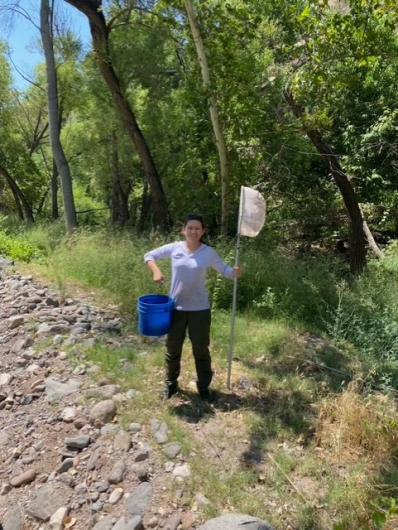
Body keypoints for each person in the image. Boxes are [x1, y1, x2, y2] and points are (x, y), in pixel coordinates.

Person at [144, 213, 242, 401]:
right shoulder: (174, 248)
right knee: (173, 349)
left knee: (201, 350)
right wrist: (156, 271)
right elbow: (149, 256)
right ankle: (171, 384)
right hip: (175, 309)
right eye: (190, 228)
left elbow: (225, 270)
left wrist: (235, 272)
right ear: (183, 230)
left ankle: (203, 387)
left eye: (197, 228)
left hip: (200, 309)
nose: (193, 231)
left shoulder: (208, 252)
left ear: (203, 231)